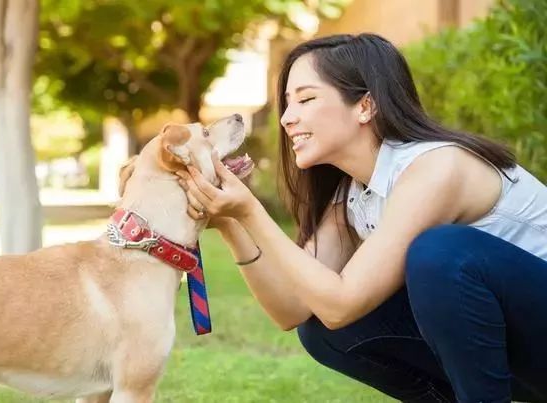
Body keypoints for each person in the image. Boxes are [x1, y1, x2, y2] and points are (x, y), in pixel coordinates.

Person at [175, 33, 547, 402]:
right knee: (320, 327)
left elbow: (341, 303)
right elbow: (293, 309)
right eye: (287, 103)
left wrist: (251, 211)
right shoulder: (352, 195)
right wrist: (230, 221)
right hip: (523, 352)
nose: (288, 119)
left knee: (439, 253)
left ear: (366, 106)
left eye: (306, 99)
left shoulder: (436, 168)